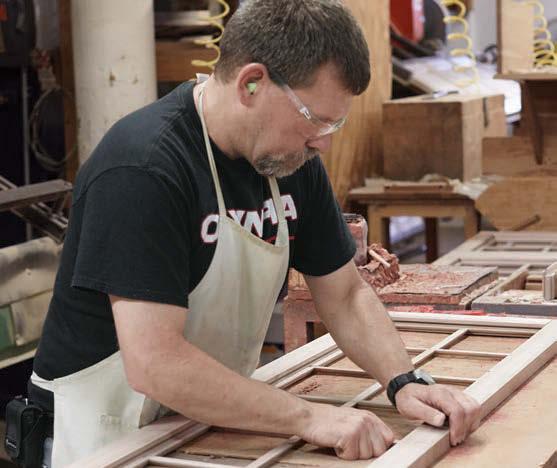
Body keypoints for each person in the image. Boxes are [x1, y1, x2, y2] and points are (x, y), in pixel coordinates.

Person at [27, 0, 480, 465]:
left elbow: (344, 294)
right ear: (251, 83)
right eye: (316, 119)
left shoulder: (290, 160)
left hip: (198, 423)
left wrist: (403, 381)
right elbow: (156, 363)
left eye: (334, 123)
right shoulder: (145, 169)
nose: (323, 142)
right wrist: (309, 417)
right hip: (103, 436)